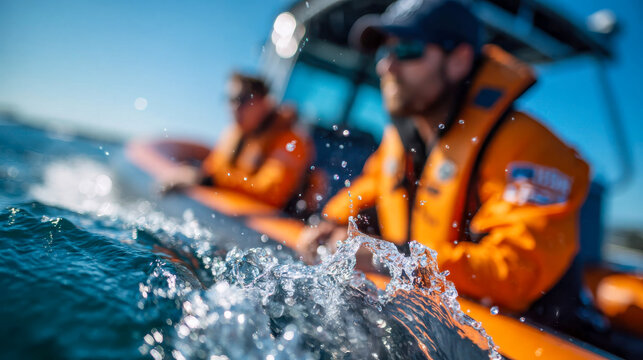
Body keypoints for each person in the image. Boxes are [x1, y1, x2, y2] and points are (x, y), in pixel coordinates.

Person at [298, 0, 591, 316]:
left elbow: (515, 272)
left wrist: (386, 259)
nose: (387, 66)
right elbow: (373, 186)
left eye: (408, 49)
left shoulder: (534, 149)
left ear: (459, 60)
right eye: (385, 52)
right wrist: (330, 225)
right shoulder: (401, 141)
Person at [164, 72, 322, 211]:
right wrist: (195, 174)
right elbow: (212, 170)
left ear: (264, 102)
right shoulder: (232, 135)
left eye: (242, 99)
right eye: (230, 99)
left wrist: (206, 180)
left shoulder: (291, 143)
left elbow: (271, 194)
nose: (234, 107)